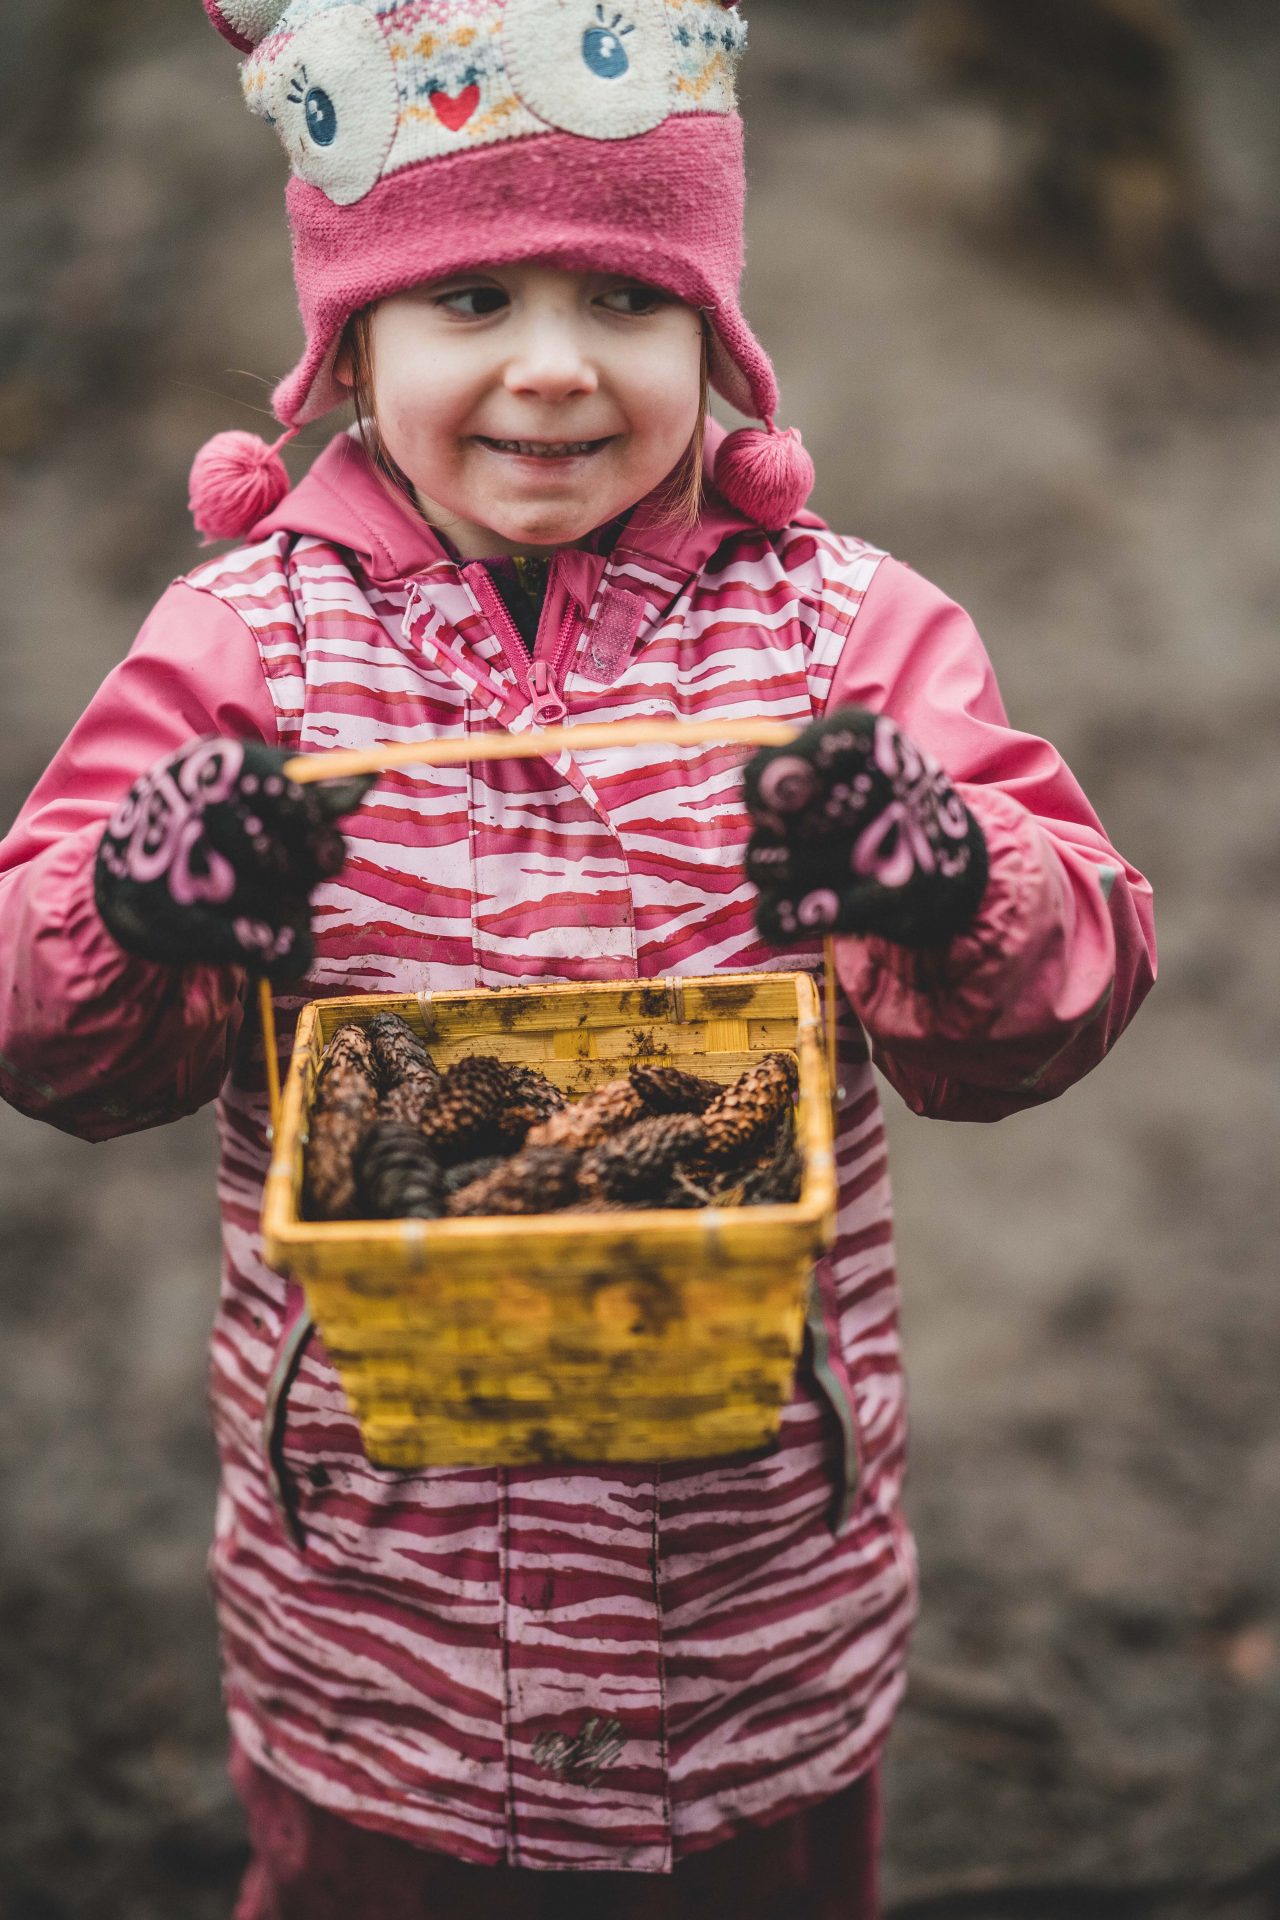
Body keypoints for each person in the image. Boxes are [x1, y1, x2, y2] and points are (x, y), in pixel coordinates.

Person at [0, 2, 1156, 1914]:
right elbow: (51, 1045)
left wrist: (951, 884)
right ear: (347, 336)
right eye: (469, 300)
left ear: (718, 334)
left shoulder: (846, 639)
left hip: (753, 1603)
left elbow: (1069, 979)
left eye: (627, 301)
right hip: (384, 1612)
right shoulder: (245, 651)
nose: (553, 370)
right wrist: (135, 910)